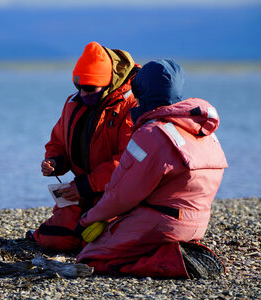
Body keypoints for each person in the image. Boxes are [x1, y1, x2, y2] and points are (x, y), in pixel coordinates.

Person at [75, 59, 228, 279]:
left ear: (141, 92)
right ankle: (174, 250)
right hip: (198, 224)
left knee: (91, 258)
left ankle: (172, 261)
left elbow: (121, 194)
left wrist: (88, 219)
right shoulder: (204, 131)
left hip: (162, 223)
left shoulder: (151, 134)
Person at [28, 41, 141, 251]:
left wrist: (87, 186)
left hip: (118, 192)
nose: (84, 93)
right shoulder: (73, 103)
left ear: (108, 83)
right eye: (79, 87)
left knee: (97, 238)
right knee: (54, 238)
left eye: (90, 88)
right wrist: (55, 161)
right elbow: (58, 141)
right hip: (82, 189)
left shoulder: (132, 106)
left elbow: (128, 161)